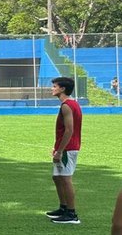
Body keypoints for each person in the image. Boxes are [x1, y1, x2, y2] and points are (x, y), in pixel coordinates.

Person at [45, 76, 82, 224]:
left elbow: (69, 130)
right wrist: (57, 148)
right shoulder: (72, 104)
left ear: (62, 89)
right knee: (57, 177)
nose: (52, 89)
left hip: (68, 148)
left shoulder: (67, 105)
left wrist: (60, 151)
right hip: (65, 147)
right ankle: (63, 208)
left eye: (54, 86)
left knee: (66, 179)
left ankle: (72, 214)